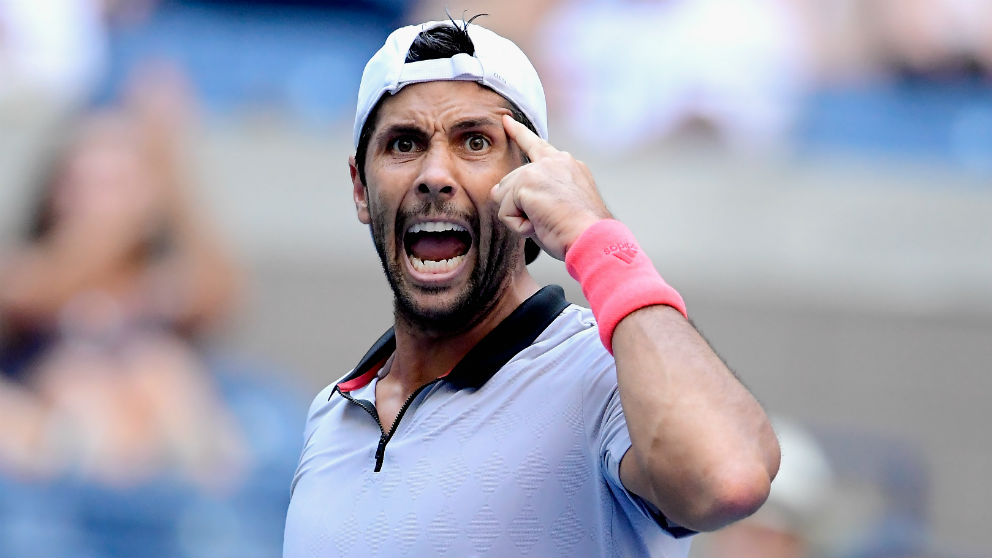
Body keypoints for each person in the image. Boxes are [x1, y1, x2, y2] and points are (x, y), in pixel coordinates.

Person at [283, 15, 780, 557]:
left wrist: (598, 237)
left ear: (531, 179)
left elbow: (728, 478)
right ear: (360, 188)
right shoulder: (330, 416)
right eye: (404, 144)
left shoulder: (602, 377)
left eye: (475, 142)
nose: (434, 175)